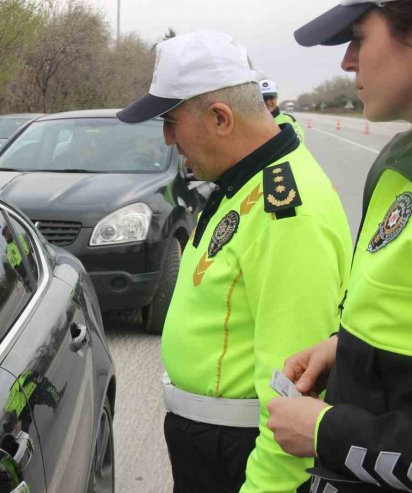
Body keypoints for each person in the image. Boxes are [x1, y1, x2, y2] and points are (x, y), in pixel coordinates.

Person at [117, 30, 352, 492]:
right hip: (212, 444)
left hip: (239, 453)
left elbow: (293, 396)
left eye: (171, 121)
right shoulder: (246, 178)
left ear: (220, 118)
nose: (168, 139)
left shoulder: (286, 211)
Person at [267, 1, 412, 491]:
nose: (347, 61)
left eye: (359, 37)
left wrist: (330, 432)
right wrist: (346, 350)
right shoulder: (399, 158)